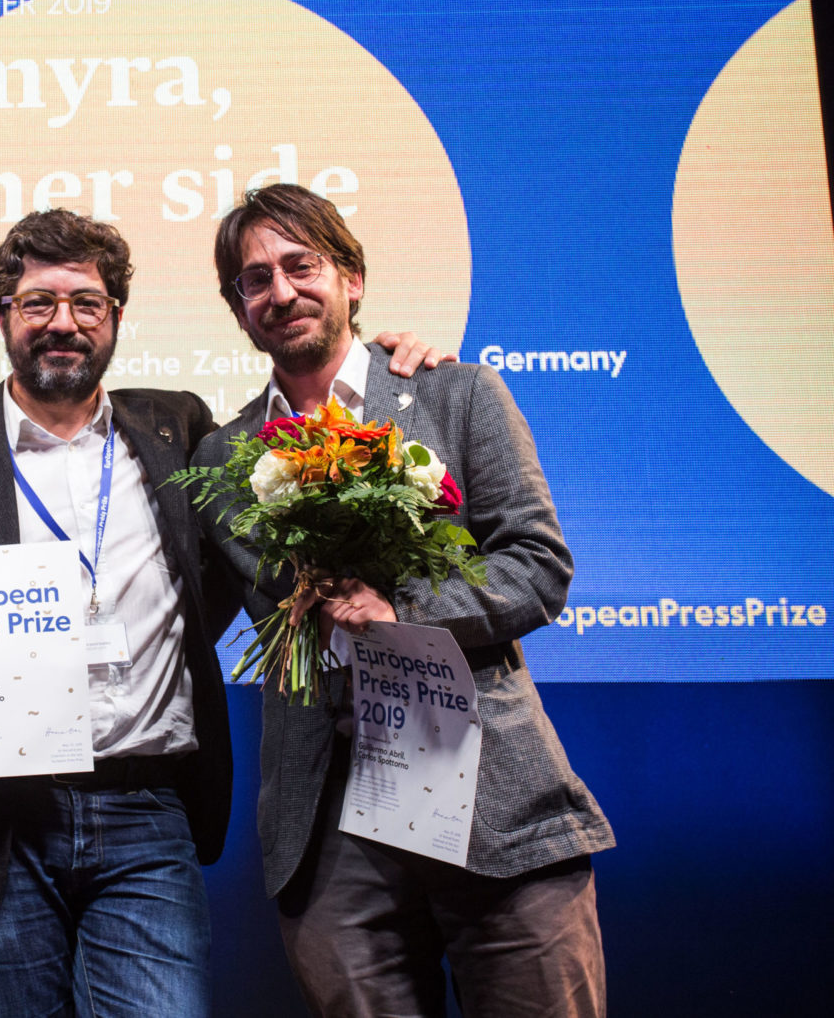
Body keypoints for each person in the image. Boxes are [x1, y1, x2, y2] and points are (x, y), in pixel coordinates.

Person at [0, 208, 443, 1017]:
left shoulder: (180, 430)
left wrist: (390, 368)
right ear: (2, 316)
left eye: (87, 303)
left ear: (114, 318)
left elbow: (303, 436)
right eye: (39, 303)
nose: (63, 323)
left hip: (149, 811)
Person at [193, 184, 615, 1018]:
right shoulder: (223, 457)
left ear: (351, 278)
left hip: (490, 794)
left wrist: (404, 613)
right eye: (255, 280)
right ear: (238, 309)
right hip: (329, 825)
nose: (281, 291)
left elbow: (538, 566)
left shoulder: (456, 395)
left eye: (302, 265)